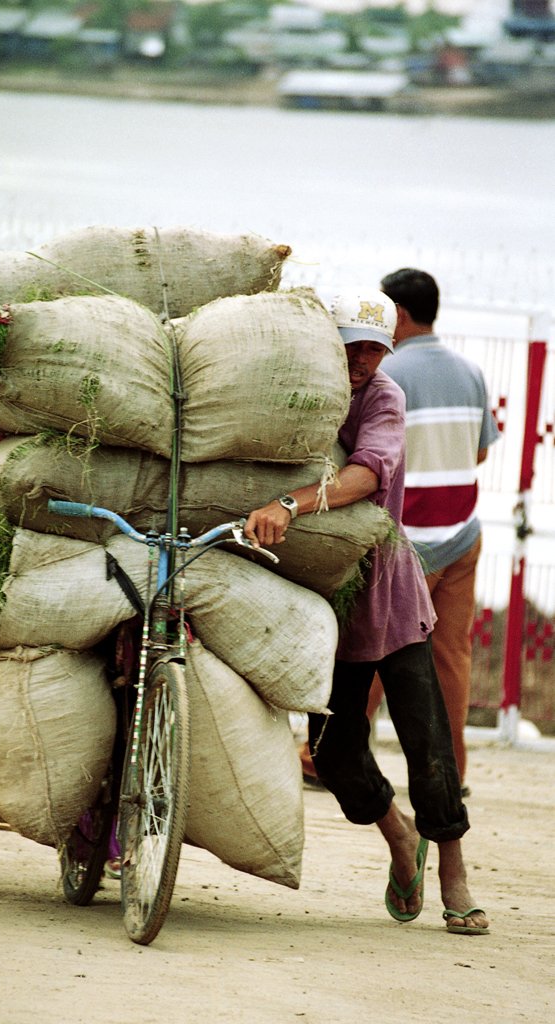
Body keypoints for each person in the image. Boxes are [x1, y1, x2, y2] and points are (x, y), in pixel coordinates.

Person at [244, 288, 489, 936]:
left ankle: (452, 871)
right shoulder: (306, 392)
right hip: (320, 595)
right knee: (332, 751)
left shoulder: (384, 397)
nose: (361, 360)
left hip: (386, 593)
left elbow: (367, 473)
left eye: (374, 349)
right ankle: (399, 838)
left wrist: (291, 505)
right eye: (351, 346)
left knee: (425, 740)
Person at [374, 268, 500, 794]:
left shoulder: (388, 373)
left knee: (374, 647)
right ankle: (453, 772)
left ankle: (329, 754)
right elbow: (479, 450)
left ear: (398, 314)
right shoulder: (470, 371)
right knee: (452, 654)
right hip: (463, 534)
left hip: (409, 538)